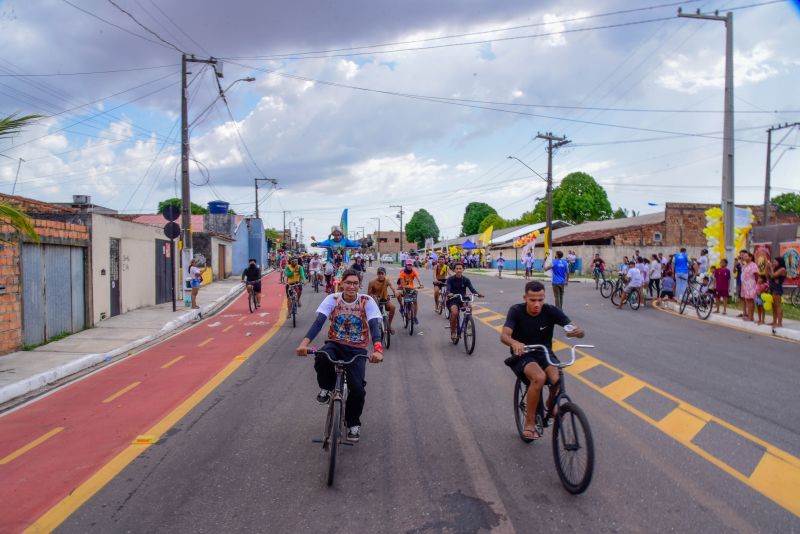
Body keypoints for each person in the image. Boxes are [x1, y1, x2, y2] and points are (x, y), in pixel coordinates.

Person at [295, 269, 384, 443]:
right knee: (321, 357)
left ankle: (353, 424)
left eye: (355, 283)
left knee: (357, 388)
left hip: (357, 349)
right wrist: (303, 344)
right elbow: (319, 322)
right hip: (335, 344)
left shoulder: (367, 301)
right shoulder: (333, 299)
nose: (352, 286)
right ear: (341, 283)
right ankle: (327, 388)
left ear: (359, 285)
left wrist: (378, 349)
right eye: (348, 283)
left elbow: (374, 326)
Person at [501, 280, 585, 441]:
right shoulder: (516, 311)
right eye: (532, 300)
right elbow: (504, 335)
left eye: (540, 299)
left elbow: (572, 327)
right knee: (539, 377)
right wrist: (514, 343)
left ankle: (550, 403)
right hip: (523, 354)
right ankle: (530, 423)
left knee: (557, 379)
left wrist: (578, 332)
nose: (537, 304)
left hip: (544, 353)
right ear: (525, 297)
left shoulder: (551, 311)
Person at [445, 263, 483, 342]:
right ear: (454, 270)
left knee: (469, 307)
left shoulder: (466, 280)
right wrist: (449, 293)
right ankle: (453, 331)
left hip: (463, 298)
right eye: (457, 269)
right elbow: (448, 288)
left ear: (463, 269)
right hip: (453, 298)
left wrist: (478, 294)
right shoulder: (450, 279)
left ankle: (467, 321)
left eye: (460, 268)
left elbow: (472, 289)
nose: (459, 270)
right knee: (454, 313)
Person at [367, 267, 397, 335]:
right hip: (375, 302)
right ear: (377, 274)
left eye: (382, 273)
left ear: (385, 274)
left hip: (384, 300)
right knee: (374, 319)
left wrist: (395, 292)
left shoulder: (387, 281)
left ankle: (389, 325)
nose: (381, 275)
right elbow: (368, 295)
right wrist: (373, 297)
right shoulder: (372, 282)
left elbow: (392, 287)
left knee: (393, 307)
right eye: (379, 273)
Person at [397, 259, 424, 324]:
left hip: (411, 288)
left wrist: (420, 284)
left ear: (412, 265)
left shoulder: (414, 271)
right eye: (408, 265)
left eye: (411, 265)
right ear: (406, 265)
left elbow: (418, 278)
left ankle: (414, 317)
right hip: (402, 287)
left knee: (415, 302)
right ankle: (401, 306)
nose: (409, 266)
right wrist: (403, 287)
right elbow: (402, 282)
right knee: (397, 294)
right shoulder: (402, 272)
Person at [740, 250, 759, 322]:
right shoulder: (744, 266)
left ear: (751, 257)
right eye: (744, 256)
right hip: (745, 285)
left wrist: (757, 285)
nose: (744, 257)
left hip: (751, 284)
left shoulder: (753, 265)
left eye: (746, 256)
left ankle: (751, 317)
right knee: (747, 300)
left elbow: (756, 275)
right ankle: (748, 315)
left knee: (750, 300)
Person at [767, 257, 786, 331]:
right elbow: (768, 277)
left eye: (775, 262)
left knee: (778, 306)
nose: (774, 263)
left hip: (777, 289)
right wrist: (767, 268)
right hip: (772, 288)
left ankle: (780, 323)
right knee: (773, 306)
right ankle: (774, 321)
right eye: (773, 261)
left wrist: (771, 268)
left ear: (780, 262)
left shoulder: (782, 269)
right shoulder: (774, 269)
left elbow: (773, 276)